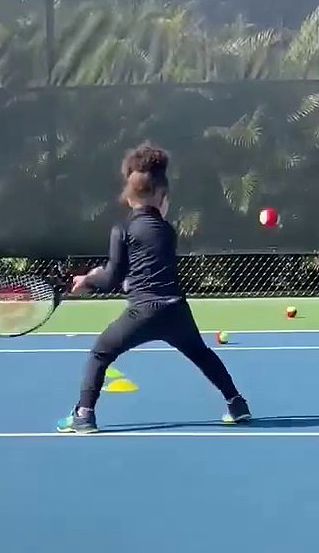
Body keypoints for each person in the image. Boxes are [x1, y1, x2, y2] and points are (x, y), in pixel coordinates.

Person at [56, 145, 251, 434]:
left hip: (142, 313)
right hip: (175, 312)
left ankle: (84, 415)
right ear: (162, 197)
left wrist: (87, 281)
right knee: (202, 354)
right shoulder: (167, 231)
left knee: (100, 354)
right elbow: (139, 267)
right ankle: (237, 405)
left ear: (128, 196)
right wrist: (100, 275)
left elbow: (112, 279)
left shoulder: (121, 230)